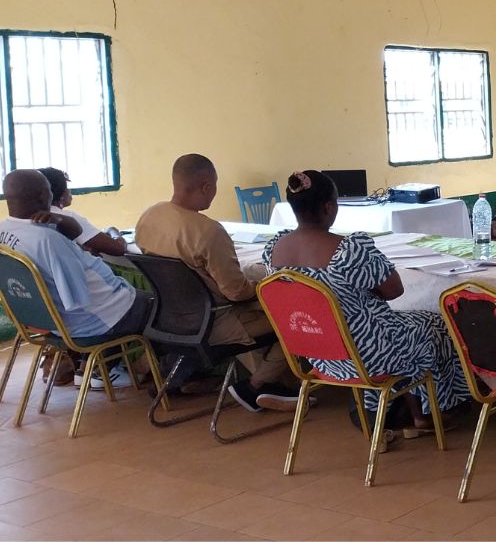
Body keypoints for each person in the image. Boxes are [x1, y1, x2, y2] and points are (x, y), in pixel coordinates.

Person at [263, 170, 471, 432]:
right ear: (329, 207)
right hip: (367, 355)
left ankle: (388, 411)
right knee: (437, 324)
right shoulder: (349, 249)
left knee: (402, 327)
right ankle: (433, 411)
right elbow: (394, 290)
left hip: (319, 353)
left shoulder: (274, 249)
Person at [135, 154, 298, 412]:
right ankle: (255, 386)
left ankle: (270, 383)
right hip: (215, 322)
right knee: (293, 320)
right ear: (206, 187)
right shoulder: (209, 231)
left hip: (171, 318)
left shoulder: (150, 217)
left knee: (254, 279)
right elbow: (236, 293)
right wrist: (266, 283)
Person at [0, 170, 152, 389]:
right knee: (163, 306)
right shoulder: (47, 239)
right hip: (88, 322)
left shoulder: (6, 230)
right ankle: (157, 373)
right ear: (45, 195)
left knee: (123, 304)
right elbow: (80, 297)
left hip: (47, 323)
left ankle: (92, 369)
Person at [38, 167, 127, 257]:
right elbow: (119, 249)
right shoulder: (66, 217)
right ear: (60, 193)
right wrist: (113, 231)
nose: (69, 191)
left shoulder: (33, 217)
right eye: (66, 187)